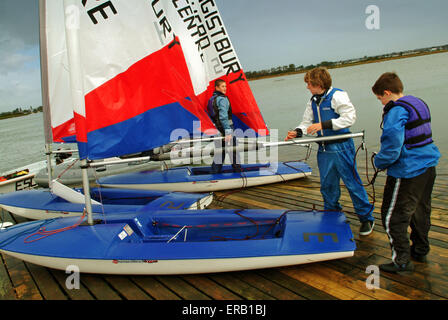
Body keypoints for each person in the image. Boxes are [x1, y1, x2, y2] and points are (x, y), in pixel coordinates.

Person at [285, 67, 375, 235]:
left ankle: (366, 218)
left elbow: (349, 118)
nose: (307, 87)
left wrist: (324, 125)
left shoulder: (338, 95)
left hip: (342, 147)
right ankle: (332, 214)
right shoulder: (312, 100)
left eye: (309, 84)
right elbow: (306, 122)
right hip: (324, 148)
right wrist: (297, 131)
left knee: (352, 184)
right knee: (327, 185)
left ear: (318, 84)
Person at [371, 72, 440, 273]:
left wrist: (378, 161)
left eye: (380, 99)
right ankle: (420, 249)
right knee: (420, 211)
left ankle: (401, 260)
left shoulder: (395, 111)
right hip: (428, 166)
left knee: (392, 217)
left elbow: (392, 145)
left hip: (407, 172)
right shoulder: (418, 102)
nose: (381, 103)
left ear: (386, 92)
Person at [207, 79, 241, 173]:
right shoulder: (223, 99)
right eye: (222, 86)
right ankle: (239, 174)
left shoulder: (211, 99)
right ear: (217, 87)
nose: (225, 88)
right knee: (234, 152)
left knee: (219, 153)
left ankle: (214, 172)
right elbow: (223, 117)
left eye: (225, 86)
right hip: (227, 129)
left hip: (217, 130)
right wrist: (228, 132)